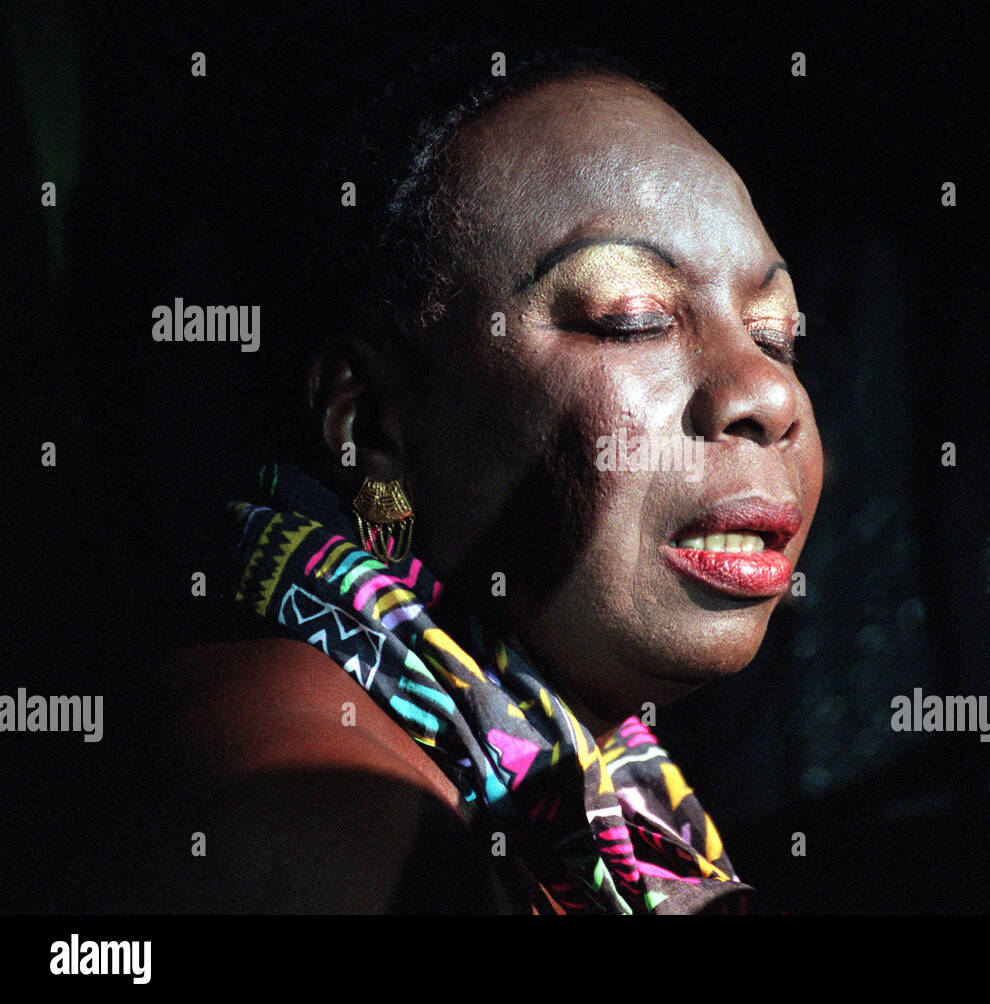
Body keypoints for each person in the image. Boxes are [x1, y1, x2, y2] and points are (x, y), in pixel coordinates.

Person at [170, 47, 823, 914]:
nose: (769, 394)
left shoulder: (599, 792)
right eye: (632, 319)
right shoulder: (313, 797)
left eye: (775, 334)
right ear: (371, 424)